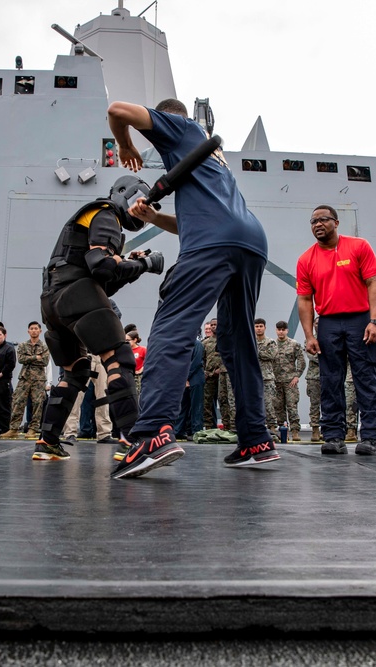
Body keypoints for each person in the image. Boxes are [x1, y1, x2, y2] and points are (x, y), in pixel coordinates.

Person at [108, 97, 280, 476]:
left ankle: (152, 432)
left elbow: (118, 111)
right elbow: (191, 223)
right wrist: (154, 216)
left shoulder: (180, 128)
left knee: (172, 328)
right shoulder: (207, 158)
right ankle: (256, 439)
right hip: (248, 240)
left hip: (214, 243)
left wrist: (126, 144)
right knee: (237, 342)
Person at [35, 175, 165, 462]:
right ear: (123, 193)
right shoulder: (106, 213)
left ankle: (47, 441)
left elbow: (104, 282)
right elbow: (103, 267)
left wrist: (132, 264)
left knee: (76, 371)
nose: (141, 208)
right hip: (75, 293)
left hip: (53, 303)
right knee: (120, 359)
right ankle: (135, 442)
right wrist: (144, 263)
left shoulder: (93, 220)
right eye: (138, 200)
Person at [296, 204, 376, 456]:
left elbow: (373, 282)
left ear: (336, 222)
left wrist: (374, 321)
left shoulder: (358, 246)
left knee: (365, 378)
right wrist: (309, 336)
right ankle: (334, 436)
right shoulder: (306, 259)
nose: (317, 224)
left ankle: (370, 437)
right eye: (313, 221)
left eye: (323, 219)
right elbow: (304, 299)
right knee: (330, 381)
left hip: (360, 320)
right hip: (328, 324)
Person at [1, 322, 50, 440]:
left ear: (40, 331)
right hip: (24, 378)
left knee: (37, 404)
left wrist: (30, 359)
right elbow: (21, 359)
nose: (34, 331)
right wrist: (35, 357)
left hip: (38, 379)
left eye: (36, 329)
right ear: (28, 331)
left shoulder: (44, 346)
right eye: (31, 329)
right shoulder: (23, 345)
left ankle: (33, 429)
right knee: (18, 402)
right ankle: (14, 429)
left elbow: (45, 361)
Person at [272, 320, 306, 441]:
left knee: (292, 406)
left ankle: (295, 431)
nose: (281, 332)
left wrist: (297, 376)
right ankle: (282, 431)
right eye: (278, 329)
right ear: (276, 330)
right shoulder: (272, 344)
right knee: (278, 407)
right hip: (276, 382)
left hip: (290, 381)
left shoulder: (294, 344)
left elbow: (301, 361)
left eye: (283, 330)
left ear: (287, 330)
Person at [202, 319, 235, 431]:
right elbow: (202, 359)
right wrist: (206, 372)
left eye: (216, 324)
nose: (213, 327)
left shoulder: (226, 341)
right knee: (207, 402)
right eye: (212, 325)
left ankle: (228, 425)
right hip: (209, 376)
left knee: (225, 400)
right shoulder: (205, 343)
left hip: (224, 376)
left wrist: (221, 369)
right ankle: (208, 425)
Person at [174, 330, 205, 441]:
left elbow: (196, 362)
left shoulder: (197, 344)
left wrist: (186, 377)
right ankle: (178, 431)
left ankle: (196, 431)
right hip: (183, 379)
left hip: (195, 378)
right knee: (182, 406)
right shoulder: (182, 345)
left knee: (196, 406)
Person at [254, 318, 279, 440]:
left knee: (269, 404)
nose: (258, 328)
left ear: (264, 327)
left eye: (260, 326)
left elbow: (271, 355)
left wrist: (257, 352)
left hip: (267, 377)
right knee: (254, 405)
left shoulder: (271, 342)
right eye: (256, 326)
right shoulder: (250, 341)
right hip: (253, 378)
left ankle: (272, 428)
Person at [305, 318, 322, 442]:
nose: (318, 325)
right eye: (316, 323)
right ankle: (315, 430)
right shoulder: (309, 340)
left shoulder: (331, 338)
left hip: (329, 376)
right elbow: (313, 356)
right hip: (313, 377)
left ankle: (328, 429)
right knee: (314, 405)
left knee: (330, 404)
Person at [128, 330, 147, 396]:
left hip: (139, 376)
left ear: (135, 340)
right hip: (129, 376)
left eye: (128, 340)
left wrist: (141, 369)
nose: (126, 342)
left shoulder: (142, 349)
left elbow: (148, 361)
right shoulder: (126, 351)